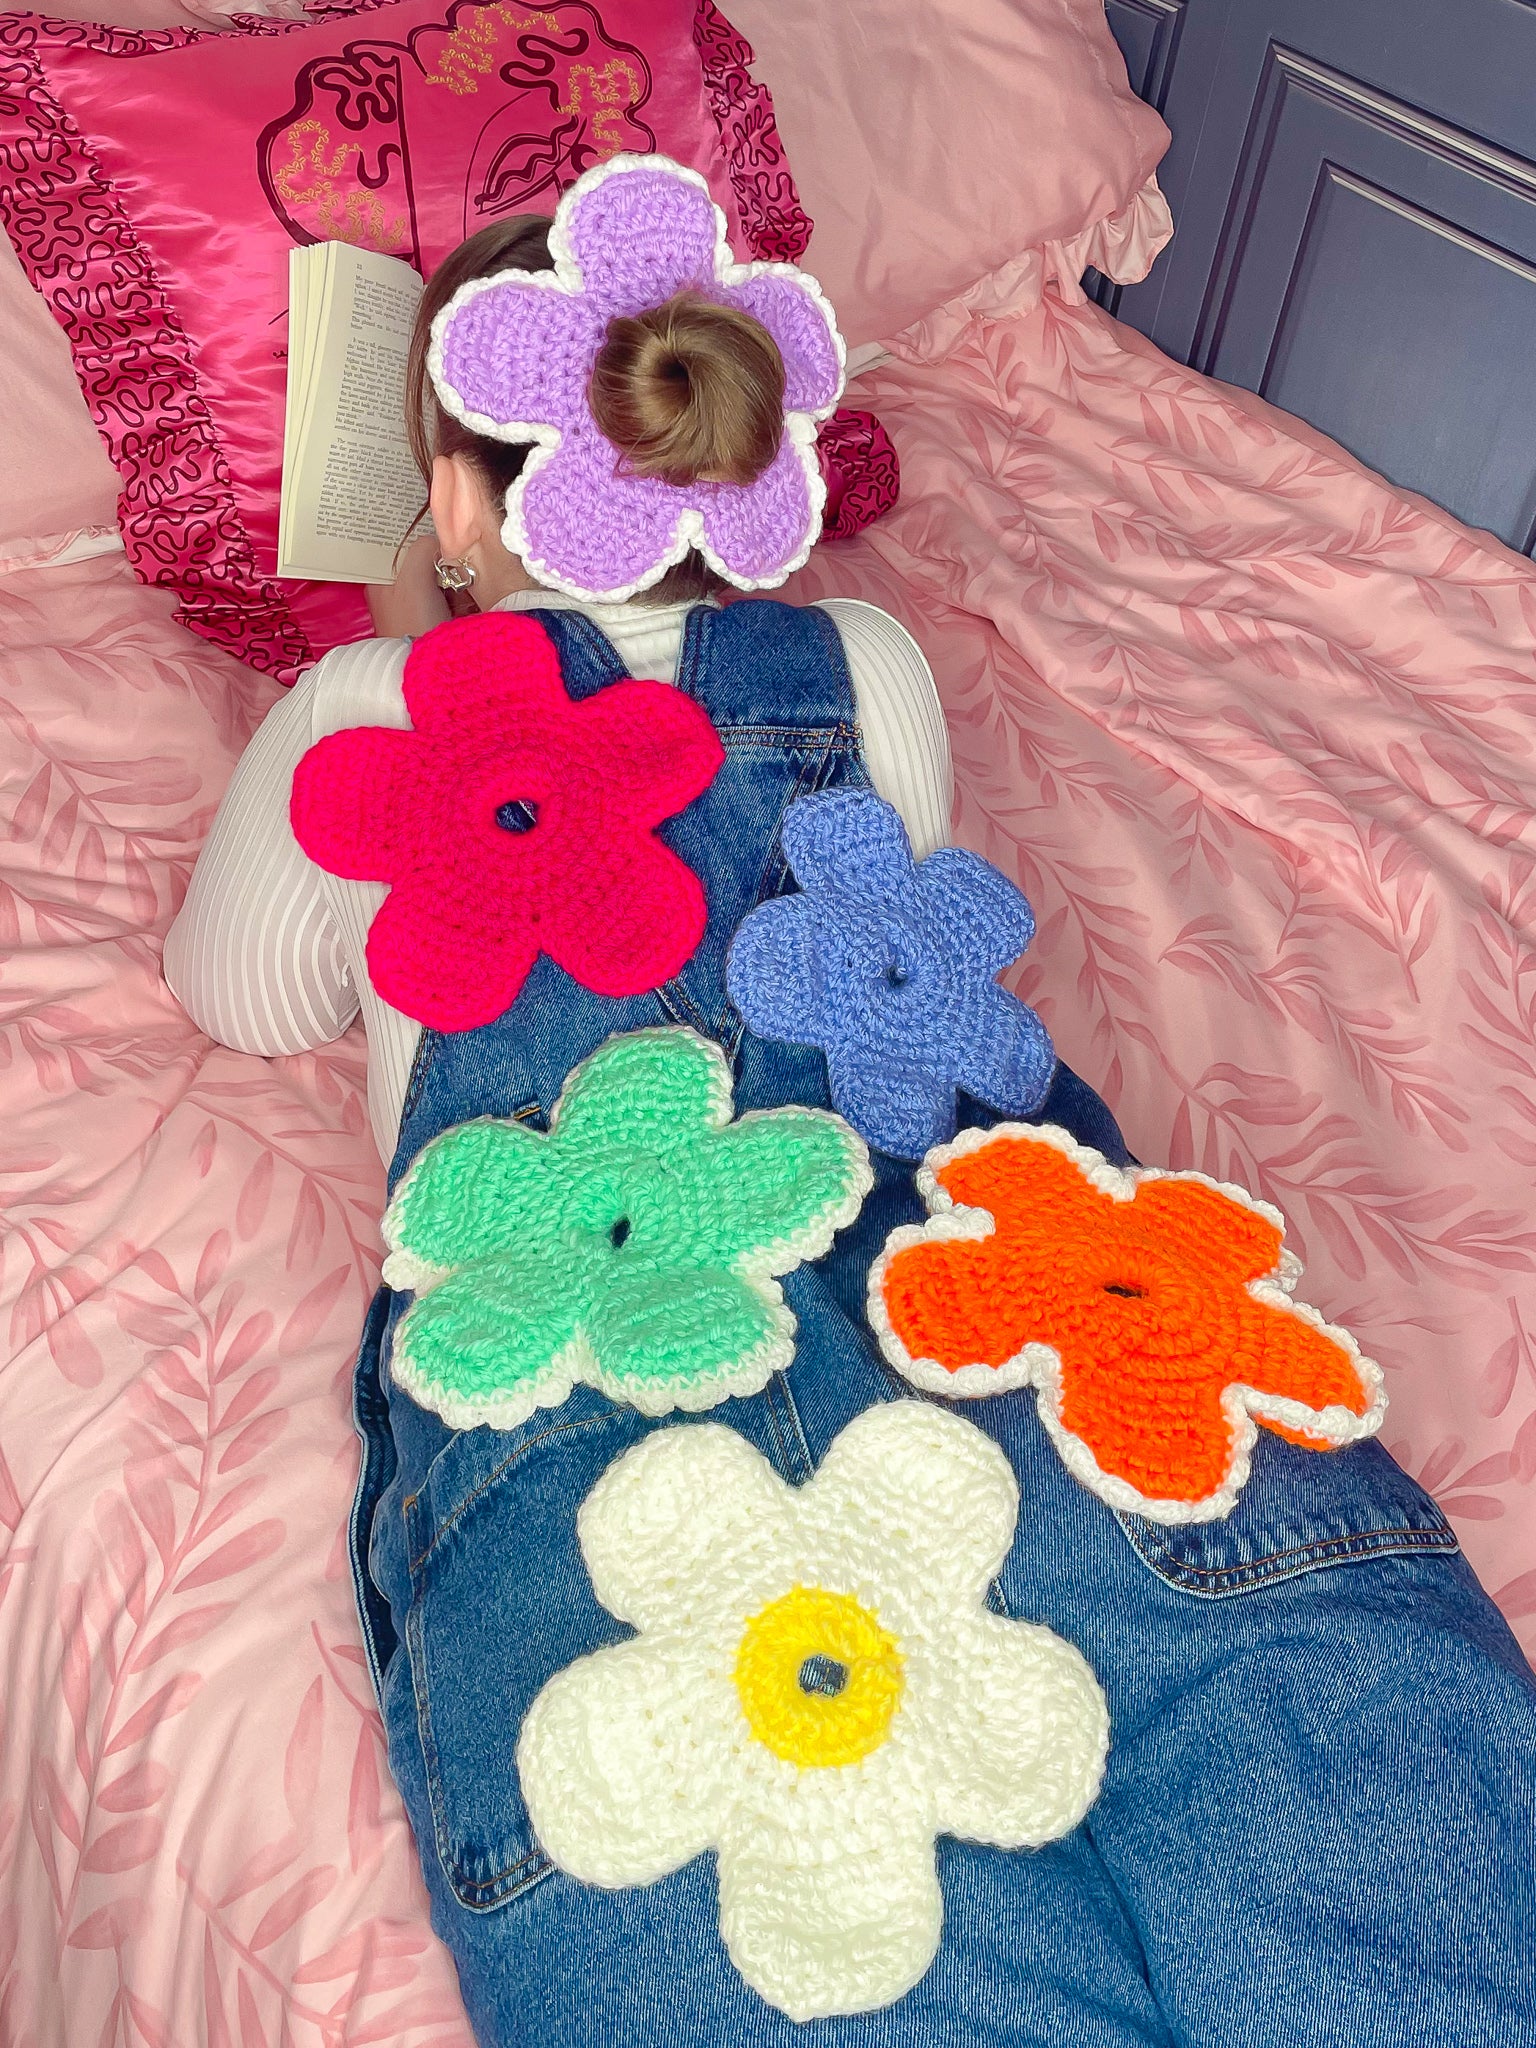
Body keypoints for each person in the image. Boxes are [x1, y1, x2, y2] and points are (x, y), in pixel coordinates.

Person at [165, 157, 1536, 2048]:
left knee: (815, 1930)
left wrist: (415, 635)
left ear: (466, 500)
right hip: (1029, 1312)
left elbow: (237, 995)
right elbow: (876, 919)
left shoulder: (366, 719)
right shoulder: (865, 663)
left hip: (614, 1380)